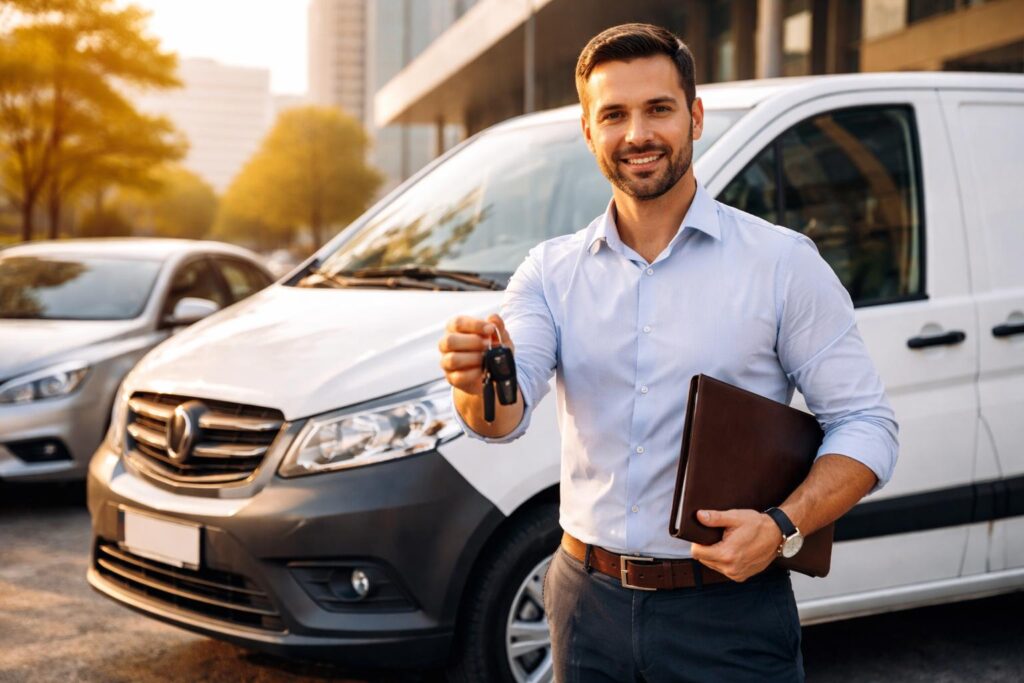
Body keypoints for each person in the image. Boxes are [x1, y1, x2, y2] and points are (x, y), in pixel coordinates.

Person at [438, 23, 898, 683]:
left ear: (695, 116)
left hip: (730, 611)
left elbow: (868, 425)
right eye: (614, 115)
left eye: (659, 108)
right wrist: (472, 379)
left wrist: (782, 524)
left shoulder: (781, 264)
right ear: (588, 131)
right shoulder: (549, 272)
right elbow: (501, 418)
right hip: (583, 604)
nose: (638, 134)